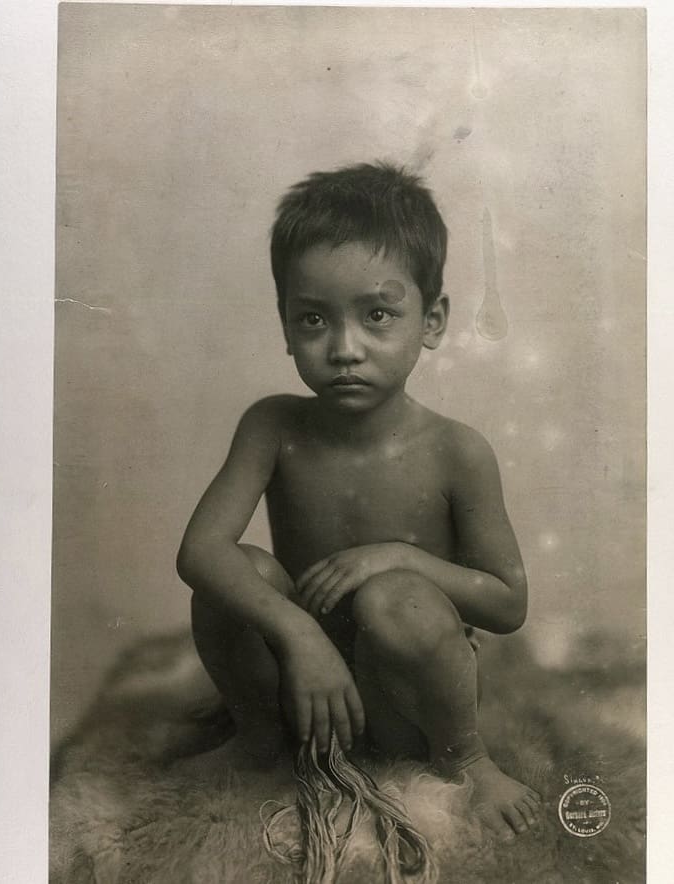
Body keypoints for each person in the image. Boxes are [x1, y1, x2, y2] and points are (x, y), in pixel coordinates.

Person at [177, 162, 541, 842]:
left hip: (404, 700)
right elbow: (199, 551)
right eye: (313, 319)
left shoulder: (458, 450)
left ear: (431, 321)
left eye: (378, 315)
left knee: (394, 596)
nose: (344, 349)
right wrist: (299, 634)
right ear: (285, 327)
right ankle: (259, 743)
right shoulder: (273, 425)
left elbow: (508, 604)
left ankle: (466, 760)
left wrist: (400, 558)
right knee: (242, 571)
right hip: (300, 688)